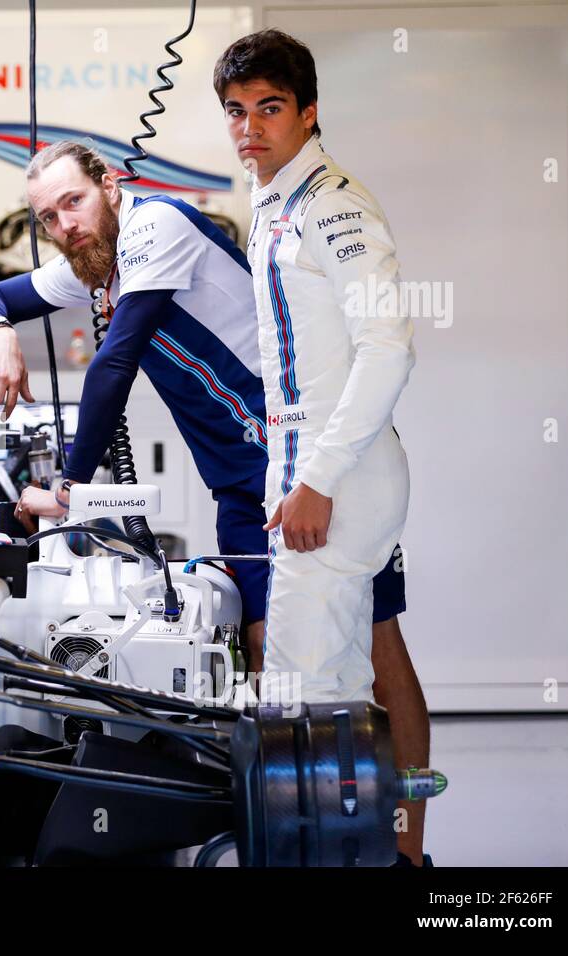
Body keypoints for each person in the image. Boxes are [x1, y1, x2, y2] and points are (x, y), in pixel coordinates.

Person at [0, 139, 403, 693]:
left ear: (110, 187)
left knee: (373, 638)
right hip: (237, 482)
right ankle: (298, 780)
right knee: (263, 642)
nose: (64, 225)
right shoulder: (95, 264)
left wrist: (68, 491)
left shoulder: (156, 225)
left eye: (74, 202)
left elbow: (112, 365)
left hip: (297, 459)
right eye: (48, 216)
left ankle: (403, 778)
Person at [214, 29, 430, 865]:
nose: (250, 128)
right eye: (236, 112)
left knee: (299, 713)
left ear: (308, 113)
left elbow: (389, 348)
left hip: (340, 473)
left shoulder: (334, 204)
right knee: (331, 705)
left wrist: (320, 479)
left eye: (269, 108)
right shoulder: (274, 201)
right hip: (308, 468)